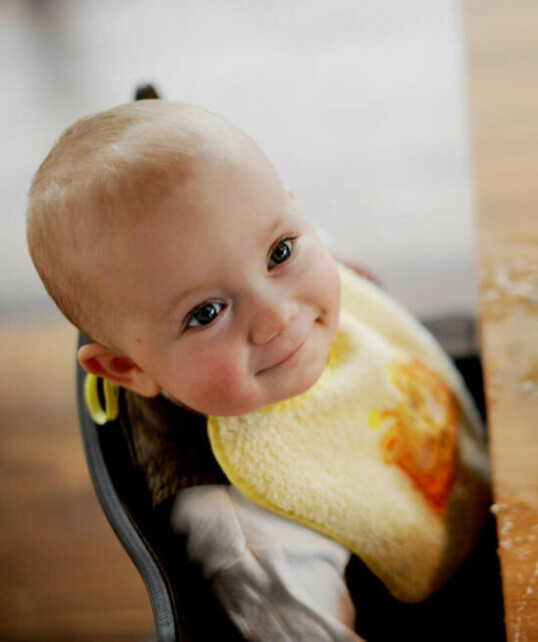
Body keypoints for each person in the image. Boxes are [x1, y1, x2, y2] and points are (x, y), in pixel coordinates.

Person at [26, 100, 501, 640]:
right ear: (126, 367)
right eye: (206, 313)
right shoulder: (255, 541)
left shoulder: (229, 246)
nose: (278, 317)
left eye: (279, 253)